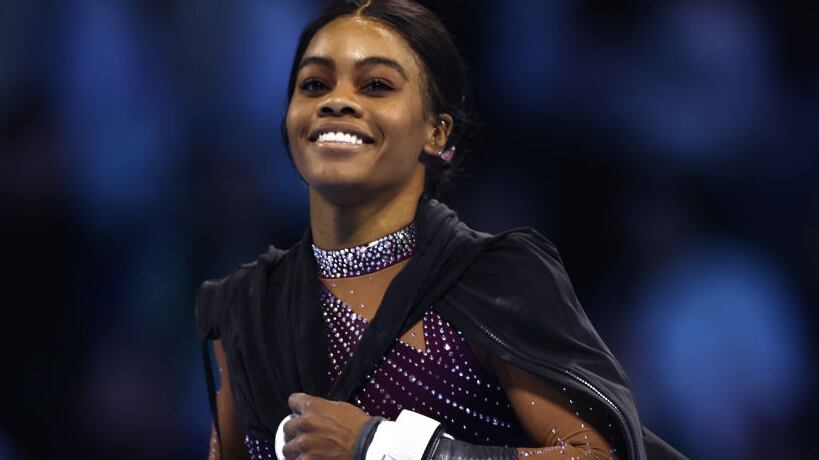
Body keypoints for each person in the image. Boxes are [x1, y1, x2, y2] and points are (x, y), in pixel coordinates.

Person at [196, 1, 686, 459]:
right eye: (314, 85)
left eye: (376, 86)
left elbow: (595, 455)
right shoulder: (246, 305)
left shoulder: (494, 280)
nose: (337, 102)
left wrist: (382, 447)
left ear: (437, 133)